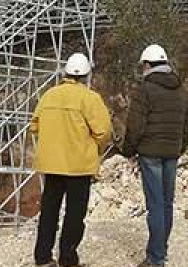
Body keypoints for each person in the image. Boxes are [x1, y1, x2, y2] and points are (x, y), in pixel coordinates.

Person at [30, 52, 112, 267]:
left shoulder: (49, 95)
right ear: (86, 75)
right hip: (79, 166)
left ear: (65, 73)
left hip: (52, 165)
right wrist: (95, 147)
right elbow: (103, 131)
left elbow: (34, 126)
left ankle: (43, 257)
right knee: (75, 214)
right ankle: (68, 258)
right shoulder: (90, 98)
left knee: (49, 212)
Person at [120, 43, 188, 267]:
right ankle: (161, 250)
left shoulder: (144, 90)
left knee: (155, 205)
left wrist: (128, 150)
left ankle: (156, 257)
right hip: (171, 152)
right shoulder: (181, 90)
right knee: (167, 203)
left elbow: (135, 125)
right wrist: (179, 147)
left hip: (150, 153)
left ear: (147, 64)